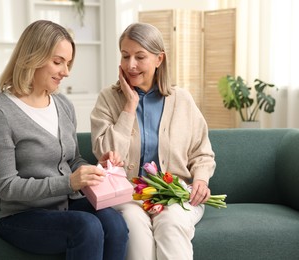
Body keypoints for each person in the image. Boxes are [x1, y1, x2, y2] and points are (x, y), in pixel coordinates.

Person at [0, 20, 128, 260]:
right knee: (87, 227)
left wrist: (94, 168)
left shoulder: (63, 105)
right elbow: (6, 187)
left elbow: (73, 161)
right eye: (58, 62)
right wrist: (69, 183)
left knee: (115, 223)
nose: (66, 72)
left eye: (68, 63)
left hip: (66, 205)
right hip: (23, 217)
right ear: (32, 57)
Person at [90, 22, 216, 260]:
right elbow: (105, 152)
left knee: (171, 223)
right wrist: (129, 106)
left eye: (140, 57)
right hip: (128, 197)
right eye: (125, 56)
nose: (131, 65)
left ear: (159, 59)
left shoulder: (182, 100)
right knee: (134, 228)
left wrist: (200, 179)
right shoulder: (108, 98)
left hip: (176, 194)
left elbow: (202, 153)